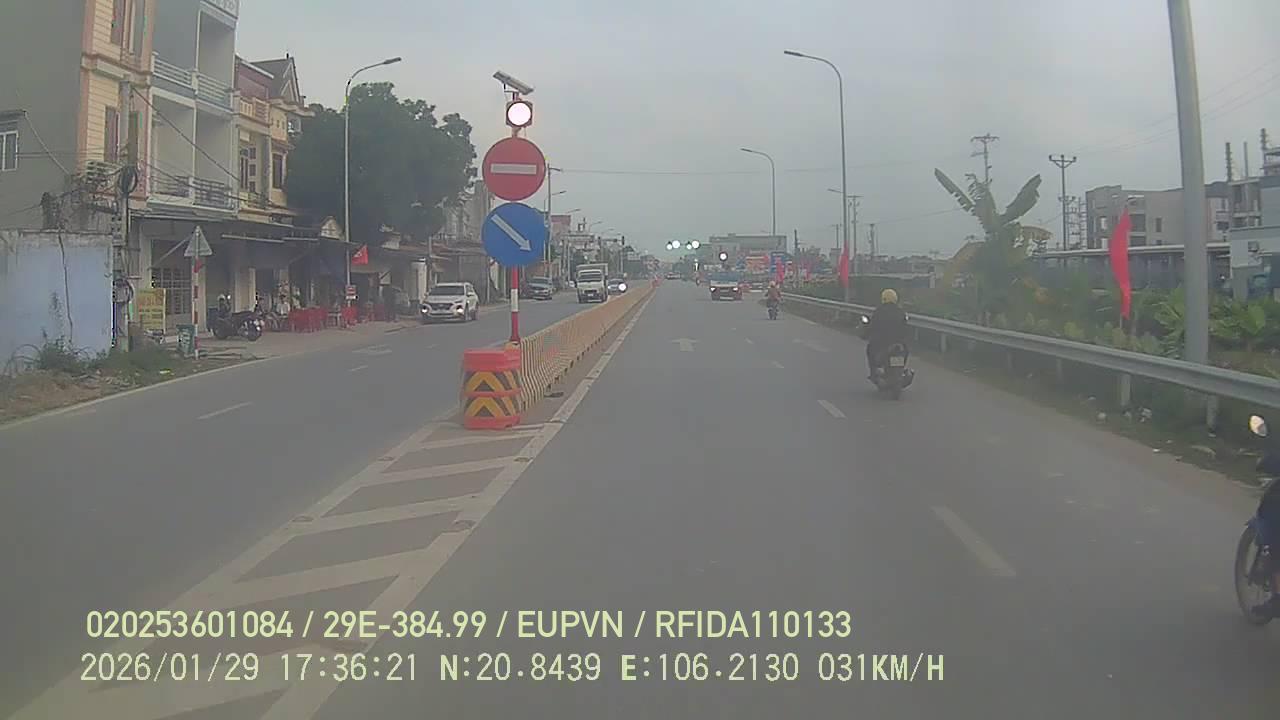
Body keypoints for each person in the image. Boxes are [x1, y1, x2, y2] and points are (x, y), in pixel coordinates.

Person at [866, 288, 909, 379]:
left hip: (883, 342)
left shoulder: (879, 311)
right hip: (898, 343)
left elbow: (872, 326)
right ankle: (901, 369)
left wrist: (867, 333)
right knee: (905, 350)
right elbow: (905, 327)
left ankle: (874, 372)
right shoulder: (901, 312)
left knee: (870, 349)